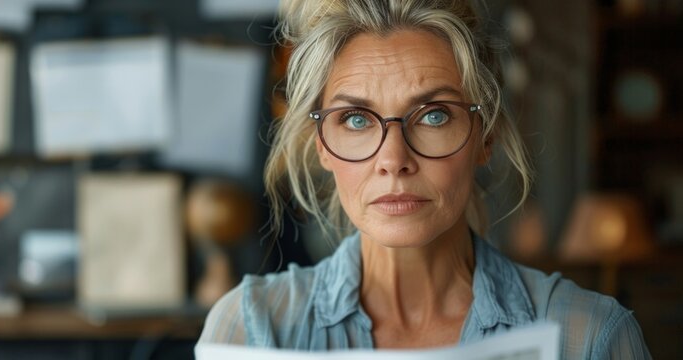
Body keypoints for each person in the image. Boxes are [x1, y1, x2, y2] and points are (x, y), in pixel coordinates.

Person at [198, 0, 652, 358]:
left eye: (434, 115)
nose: (394, 159)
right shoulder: (252, 329)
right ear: (321, 144)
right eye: (356, 119)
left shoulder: (589, 336)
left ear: (485, 135)